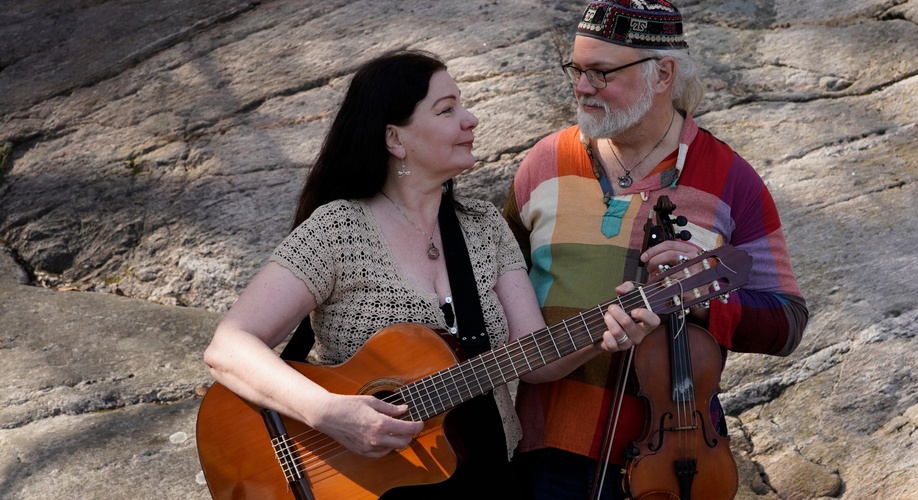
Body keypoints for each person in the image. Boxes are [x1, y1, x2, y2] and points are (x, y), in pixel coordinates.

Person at [202, 49, 660, 498]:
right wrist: (330, 413)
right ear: (395, 139)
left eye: (461, 103)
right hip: (365, 482)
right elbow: (229, 347)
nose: (471, 119)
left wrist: (606, 333)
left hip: (487, 474)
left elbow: (535, 361)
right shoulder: (337, 229)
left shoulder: (483, 227)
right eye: (447, 110)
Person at [502, 1, 810, 498]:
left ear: (663, 73)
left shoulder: (732, 178)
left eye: (601, 73)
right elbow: (491, 286)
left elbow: (787, 322)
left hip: (681, 457)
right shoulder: (543, 162)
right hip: (549, 450)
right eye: (577, 70)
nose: (582, 87)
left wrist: (703, 299)